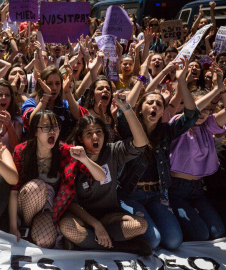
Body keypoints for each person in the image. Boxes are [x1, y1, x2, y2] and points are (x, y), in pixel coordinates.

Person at [117, 57, 201, 250]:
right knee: (153, 240)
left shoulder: (166, 132)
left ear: (164, 111)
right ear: (140, 109)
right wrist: (142, 76)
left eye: (159, 104)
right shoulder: (128, 128)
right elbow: (123, 111)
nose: (154, 106)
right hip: (129, 195)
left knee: (173, 241)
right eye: (150, 103)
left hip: (155, 196)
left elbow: (191, 115)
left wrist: (181, 81)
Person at [60, 92, 151, 255]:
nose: (95, 137)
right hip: (83, 217)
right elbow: (72, 203)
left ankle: (87, 243)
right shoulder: (73, 157)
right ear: (80, 138)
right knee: (67, 227)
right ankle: (120, 246)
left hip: (109, 215)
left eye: (99, 132)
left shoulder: (112, 151)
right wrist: (96, 225)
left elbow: (141, 143)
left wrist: (126, 108)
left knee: (140, 226)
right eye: (89, 133)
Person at [9, 110, 106, 248]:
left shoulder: (66, 151)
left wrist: (85, 159)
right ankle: (25, 226)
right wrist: (13, 227)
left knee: (45, 240)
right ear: (35, 131)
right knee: (36, 187)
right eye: (46, 127)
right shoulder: (21, 151)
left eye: (55, 127)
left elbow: (101, 176)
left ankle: (33, 231)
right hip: (25, 202)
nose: (52, 131)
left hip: (49, 208)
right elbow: (14, 190)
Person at [169, 70, 226, 241]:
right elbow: (191, 113)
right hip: (176, 190)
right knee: (201, 234)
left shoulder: (207, 126)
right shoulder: (177, 123)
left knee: (217, 233)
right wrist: (215, 90)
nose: (204, 113)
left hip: (198, 190)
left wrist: (221, 89)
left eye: (208, 110)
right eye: (200, 108)